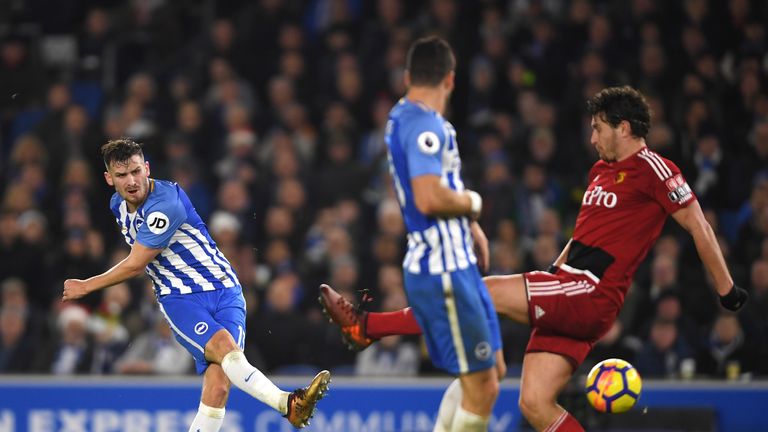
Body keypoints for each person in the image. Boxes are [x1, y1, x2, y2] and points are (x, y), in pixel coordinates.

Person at [320, 86, 748, 431]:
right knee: (535, 404)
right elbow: (582, 235)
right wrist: (551, 273)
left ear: (624, 127)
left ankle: (368, 327)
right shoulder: (600, 172)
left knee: (476, 293)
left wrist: (727, 291)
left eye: (598, 129)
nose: (592, 139)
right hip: (569, 287)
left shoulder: (656, 169)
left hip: (591, 292)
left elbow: (700, 227)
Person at [62, 139, 330, 431]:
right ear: (109, 178)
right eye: (122, 175)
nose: (132, 181)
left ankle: (289, 405)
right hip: (181, 299)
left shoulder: (166, 203)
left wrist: (87, 285)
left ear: (147, 168)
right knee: (225, 349)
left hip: (226, 289)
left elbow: (136, 263)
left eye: (136, 171)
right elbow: (141, 259)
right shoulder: (117, 205)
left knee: (219, 387)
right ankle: (287, 403)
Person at [333, 36, 505, 432]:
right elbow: (428, 196)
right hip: (443, 268)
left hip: (455, 261)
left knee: (491, 371)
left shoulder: (403, 116)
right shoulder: (426, 126)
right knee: (483, 388)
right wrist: (474, 203)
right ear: (451, 79)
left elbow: (436, 184)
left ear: (408, 76)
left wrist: (469, 223)